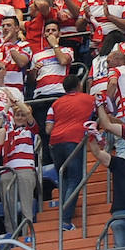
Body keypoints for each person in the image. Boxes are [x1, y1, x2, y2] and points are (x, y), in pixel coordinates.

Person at [46, 74, 96, 231]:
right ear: (79, 85)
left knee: (64, 179)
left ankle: (65, 215)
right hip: (74, 140)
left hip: (54, 142)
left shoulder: (55, 104)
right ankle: (65, 220)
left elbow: (48, 128)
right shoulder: (89, 99)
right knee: (75, 178)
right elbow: (104, 111)